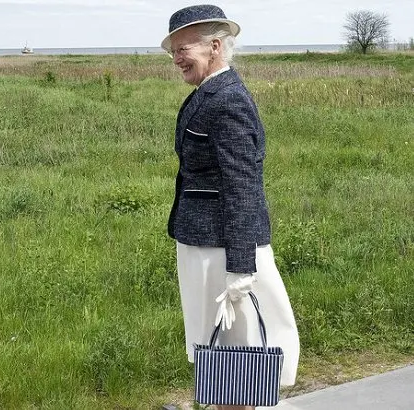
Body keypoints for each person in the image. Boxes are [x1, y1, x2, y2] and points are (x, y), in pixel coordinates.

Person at [161, 5, 300, 410]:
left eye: (183, 48)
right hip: (205, 249)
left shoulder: (227, 100)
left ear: (216, 46)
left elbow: (242, 186)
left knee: (236, 361)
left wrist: (240, 270)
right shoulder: (209, 93)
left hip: (224, 254)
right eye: (172, 51)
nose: (176, 59)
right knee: (223, 361)